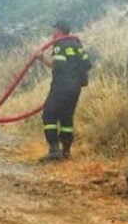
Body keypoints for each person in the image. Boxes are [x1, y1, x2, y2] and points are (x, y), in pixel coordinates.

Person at [34, 20, 91, 162]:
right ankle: (66, 152)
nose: (52, 32)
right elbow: (87, 64)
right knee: (66, 118)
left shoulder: (59, 45)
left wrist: (41, 58)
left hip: (61, 87)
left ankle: (54, 150)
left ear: (58, 30)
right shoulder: (77, 45)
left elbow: (58, 65)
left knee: (49, 115)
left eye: (53, 29)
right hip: (75, 88)